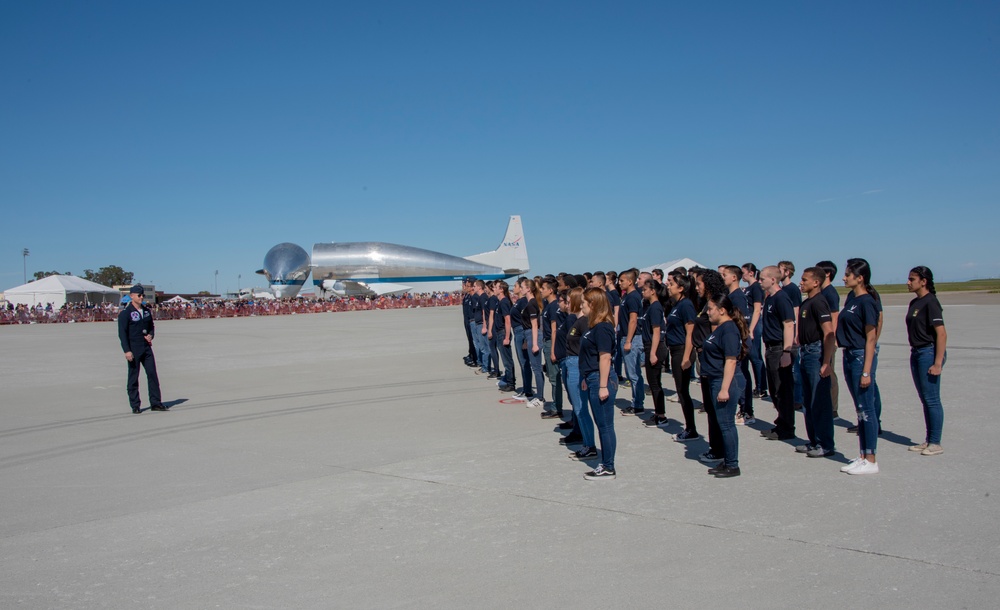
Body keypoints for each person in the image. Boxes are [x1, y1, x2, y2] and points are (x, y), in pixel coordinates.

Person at [837, 258, 880, 475]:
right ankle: (862, 454)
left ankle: (871, 458)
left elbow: (871, 338)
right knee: (859, 410)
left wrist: (866, 370)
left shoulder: (867, 302)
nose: (844, 278)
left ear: (860, 278)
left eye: (848, 274)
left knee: (866, 410)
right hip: (849, 355)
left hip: (860, 356)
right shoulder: (852, 299)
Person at [701, 294, 748, 478]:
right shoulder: (721, 328)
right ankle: (727, 460)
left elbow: (730, 360)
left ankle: (733, 465)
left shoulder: (729, 330)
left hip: (724, 381)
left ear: (722, 310)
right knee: (722, 424)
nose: (708, 312)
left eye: (711, 308)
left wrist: (724, 389)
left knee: (727, 425)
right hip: (715, 379)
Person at [578, 288, 619, 480]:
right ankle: (606, 463)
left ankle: (608, 466)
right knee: (602, 424)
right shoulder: (594, 326)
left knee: (605, 426)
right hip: (593, 378)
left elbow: (605, 357)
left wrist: (603, 386)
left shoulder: (603, 327)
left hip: (601, 379)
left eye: (584, 303)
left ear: (593, 304)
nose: (581, 306)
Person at [905, 266, 947, 456]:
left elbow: (941, 333)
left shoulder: (931, 302)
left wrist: (937, 363)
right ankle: (929, 439)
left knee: (932, 399)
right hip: (917, 353)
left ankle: (936, 442)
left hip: (928, 352)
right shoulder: (915, 302)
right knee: (925, 399)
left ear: (924, 281)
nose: (908, 282)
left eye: (912, 279)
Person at [796, 267, 837, 458]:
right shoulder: (807, 302)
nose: (801, 282)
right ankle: (813, 440)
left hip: (815, 353)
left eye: (805, 280)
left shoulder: (820, 302)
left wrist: (826, 362)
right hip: (805, 352)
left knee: (819, 401)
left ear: (816, 282)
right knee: (808, 401)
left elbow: (829, 334)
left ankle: (825, 444)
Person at [759, 266, 797, 441]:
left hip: (779, 348)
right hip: (770, 348)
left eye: (762, 279)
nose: (760, 282)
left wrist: (787, 351)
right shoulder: (770, 299)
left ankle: (787, 428)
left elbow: (789, 324)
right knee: (774, 390)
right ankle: (781, 422)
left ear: (773, 280)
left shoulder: (782, 298)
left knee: (783, 390)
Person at [117, 285, 165, 413]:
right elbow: (122, 333)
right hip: (133, 348)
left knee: (152, 375)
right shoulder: (125, 314)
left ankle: (156, 402)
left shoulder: (146, 311)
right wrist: (127, 350)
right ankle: (135, 405)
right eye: (139, 295)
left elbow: (151, 326)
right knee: (133, 377)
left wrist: (151, 335)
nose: (141, 297)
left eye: (142, 295)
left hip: (146, 348)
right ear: (132, 296)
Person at [666, 271, 699, 441]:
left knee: (683, 391)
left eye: (671, 284)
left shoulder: (686, 305)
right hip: (675, 351)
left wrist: (687, 357)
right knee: (681, 391)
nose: (668, 286)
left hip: (682, 352)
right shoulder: (676, 304)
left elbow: (690, 332)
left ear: (681, 288)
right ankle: (689, 427)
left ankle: (691, 429)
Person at [640, 279, 670, 427]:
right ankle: (658, 412)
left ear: (653, 291)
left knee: (655, 383)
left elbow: (657, 332)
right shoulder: (651, 307)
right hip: (650, 346)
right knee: (653, 383)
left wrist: (653, 353)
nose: (642, 291)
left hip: (655, 347)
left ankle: (661, 415)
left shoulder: (656, 307)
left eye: (645, 289)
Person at [617, 270, 645, 415]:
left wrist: (628, 340)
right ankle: (637, 401)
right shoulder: (626, 297)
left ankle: (638, 404)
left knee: (633, 374)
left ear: (630, 281)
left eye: (622, 280)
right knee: (631, 372)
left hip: (632, 338)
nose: (619, 283)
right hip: (625, 336)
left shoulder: (633, 297)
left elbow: (633, 320)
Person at [741, 263, 767, 399]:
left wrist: (751, 329)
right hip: (747, 323)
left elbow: (757, 309)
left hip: (754, 324)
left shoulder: (756, 287)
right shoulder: (748, 288)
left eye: (743, 272)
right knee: (749, 356)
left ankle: (761, 387)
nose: (742, 275)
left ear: (751, 273)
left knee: (755, 356)